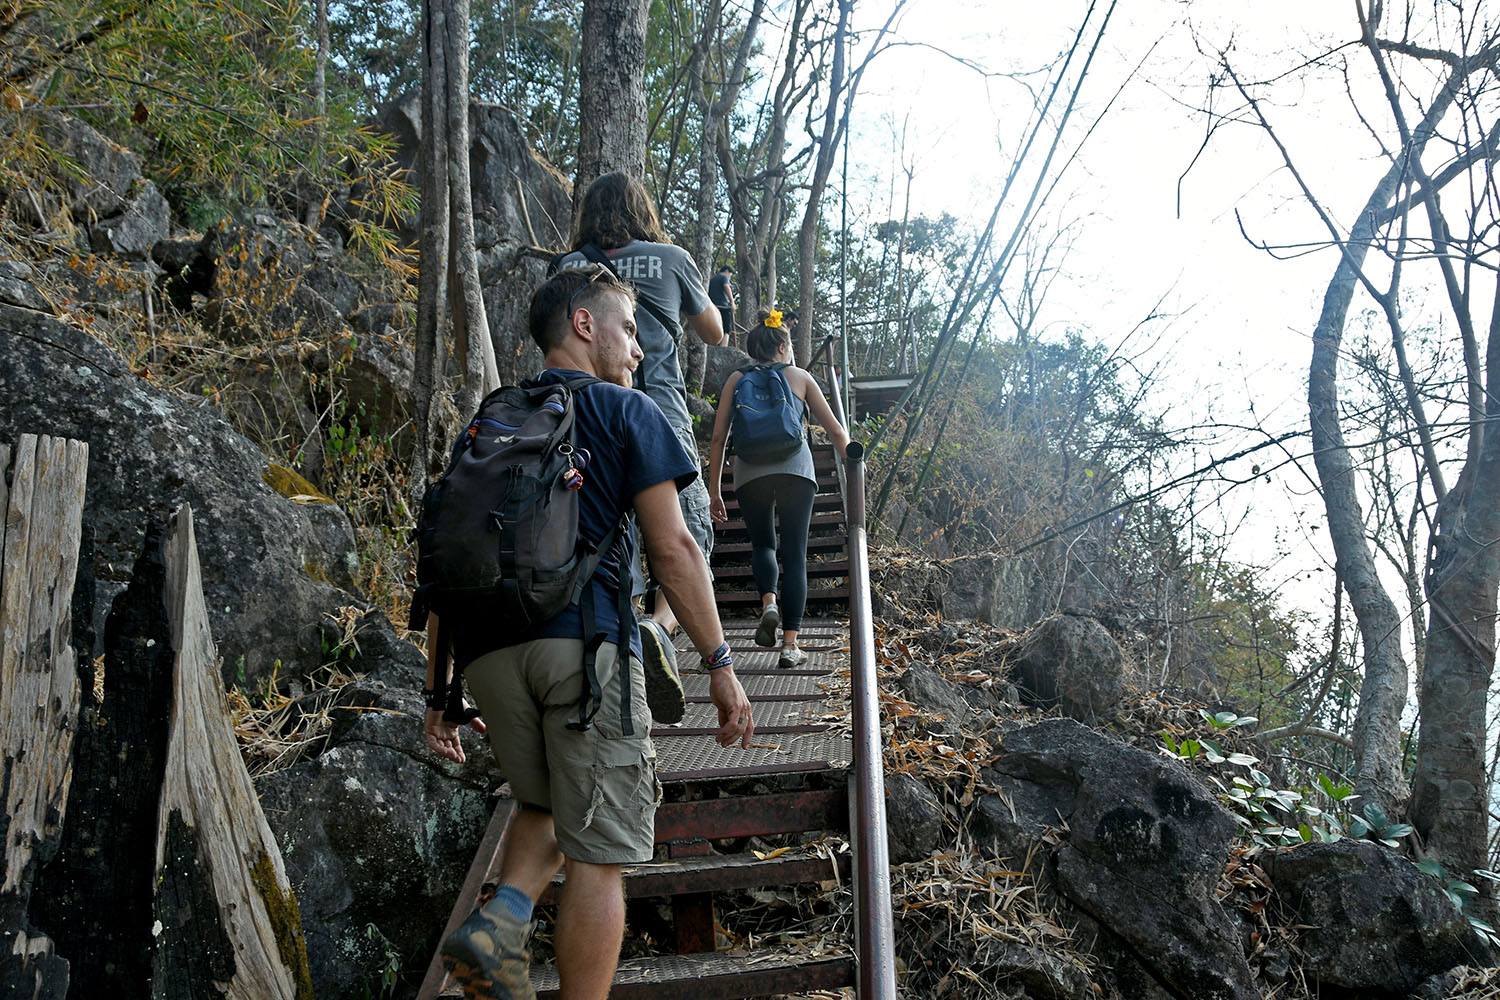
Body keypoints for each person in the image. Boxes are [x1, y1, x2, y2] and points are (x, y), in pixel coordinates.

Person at [424, 265, 753, 1000]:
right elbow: (674, 550)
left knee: (545, 806)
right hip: (585, 656)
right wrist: (720, 663)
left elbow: (449, 554)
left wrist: (438, 694)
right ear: (583, 325)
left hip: (486, 660)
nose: (638, 351)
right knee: (603, 855)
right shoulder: (626, 412)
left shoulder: (490, 417)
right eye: (629, 331)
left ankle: (500, 917)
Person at [553, 172, 725, 693]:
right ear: (641, 210)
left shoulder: (568, 267)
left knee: (604, 520)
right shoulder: (671, 259)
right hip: (659, 410)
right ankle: (663, 625)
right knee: (685, 527)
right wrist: (710, 296)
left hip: (585, 415)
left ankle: (622, 632)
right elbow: (713, 332)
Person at [707, 308, 851, 669]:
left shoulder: (736, 379)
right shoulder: (799, 377)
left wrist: (714, 490)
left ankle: (768, 602)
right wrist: (852, 455)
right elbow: (835, 430)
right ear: (784, 346)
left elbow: (719, 438)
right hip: (795, 471)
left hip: (749, 473)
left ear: (754, 348)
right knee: (795, 555)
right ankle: (790, 646)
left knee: (763, 545)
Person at [709, 264, 735, 343]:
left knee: (715, 328)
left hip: (712, 307)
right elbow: (726, 286)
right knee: (727, 330)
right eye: (730, 275)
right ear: (727, 271)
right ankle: (723, 349)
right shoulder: (724, 278)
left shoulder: (712, 280)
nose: (729, 278)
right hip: (723, 307)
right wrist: (732, 301)